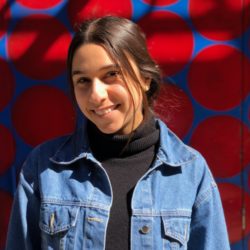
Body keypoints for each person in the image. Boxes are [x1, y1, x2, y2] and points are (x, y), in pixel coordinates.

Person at [6, 16, 230, 250]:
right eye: (83, 80)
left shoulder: (190, 172)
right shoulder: (44, 168)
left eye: (111, 74)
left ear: (145, 78)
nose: (96, 95)